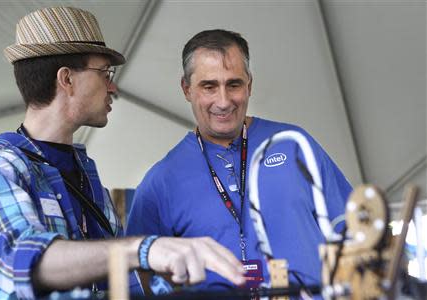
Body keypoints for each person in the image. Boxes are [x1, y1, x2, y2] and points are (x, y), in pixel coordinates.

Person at [0, 9, 246, 299]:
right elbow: (19, 260)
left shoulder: (86, 177)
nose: (113, 86)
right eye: (105, 73)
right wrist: (142, 249)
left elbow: (124, 285)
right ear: (66, 79)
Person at [127, 29, 352, 292]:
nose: (223, 102)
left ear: (249, 85)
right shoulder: (160, 182)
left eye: (233, 84)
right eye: (209, 86)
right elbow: (137, 278)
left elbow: (353, 231)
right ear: (186, 89)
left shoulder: (293, 144)